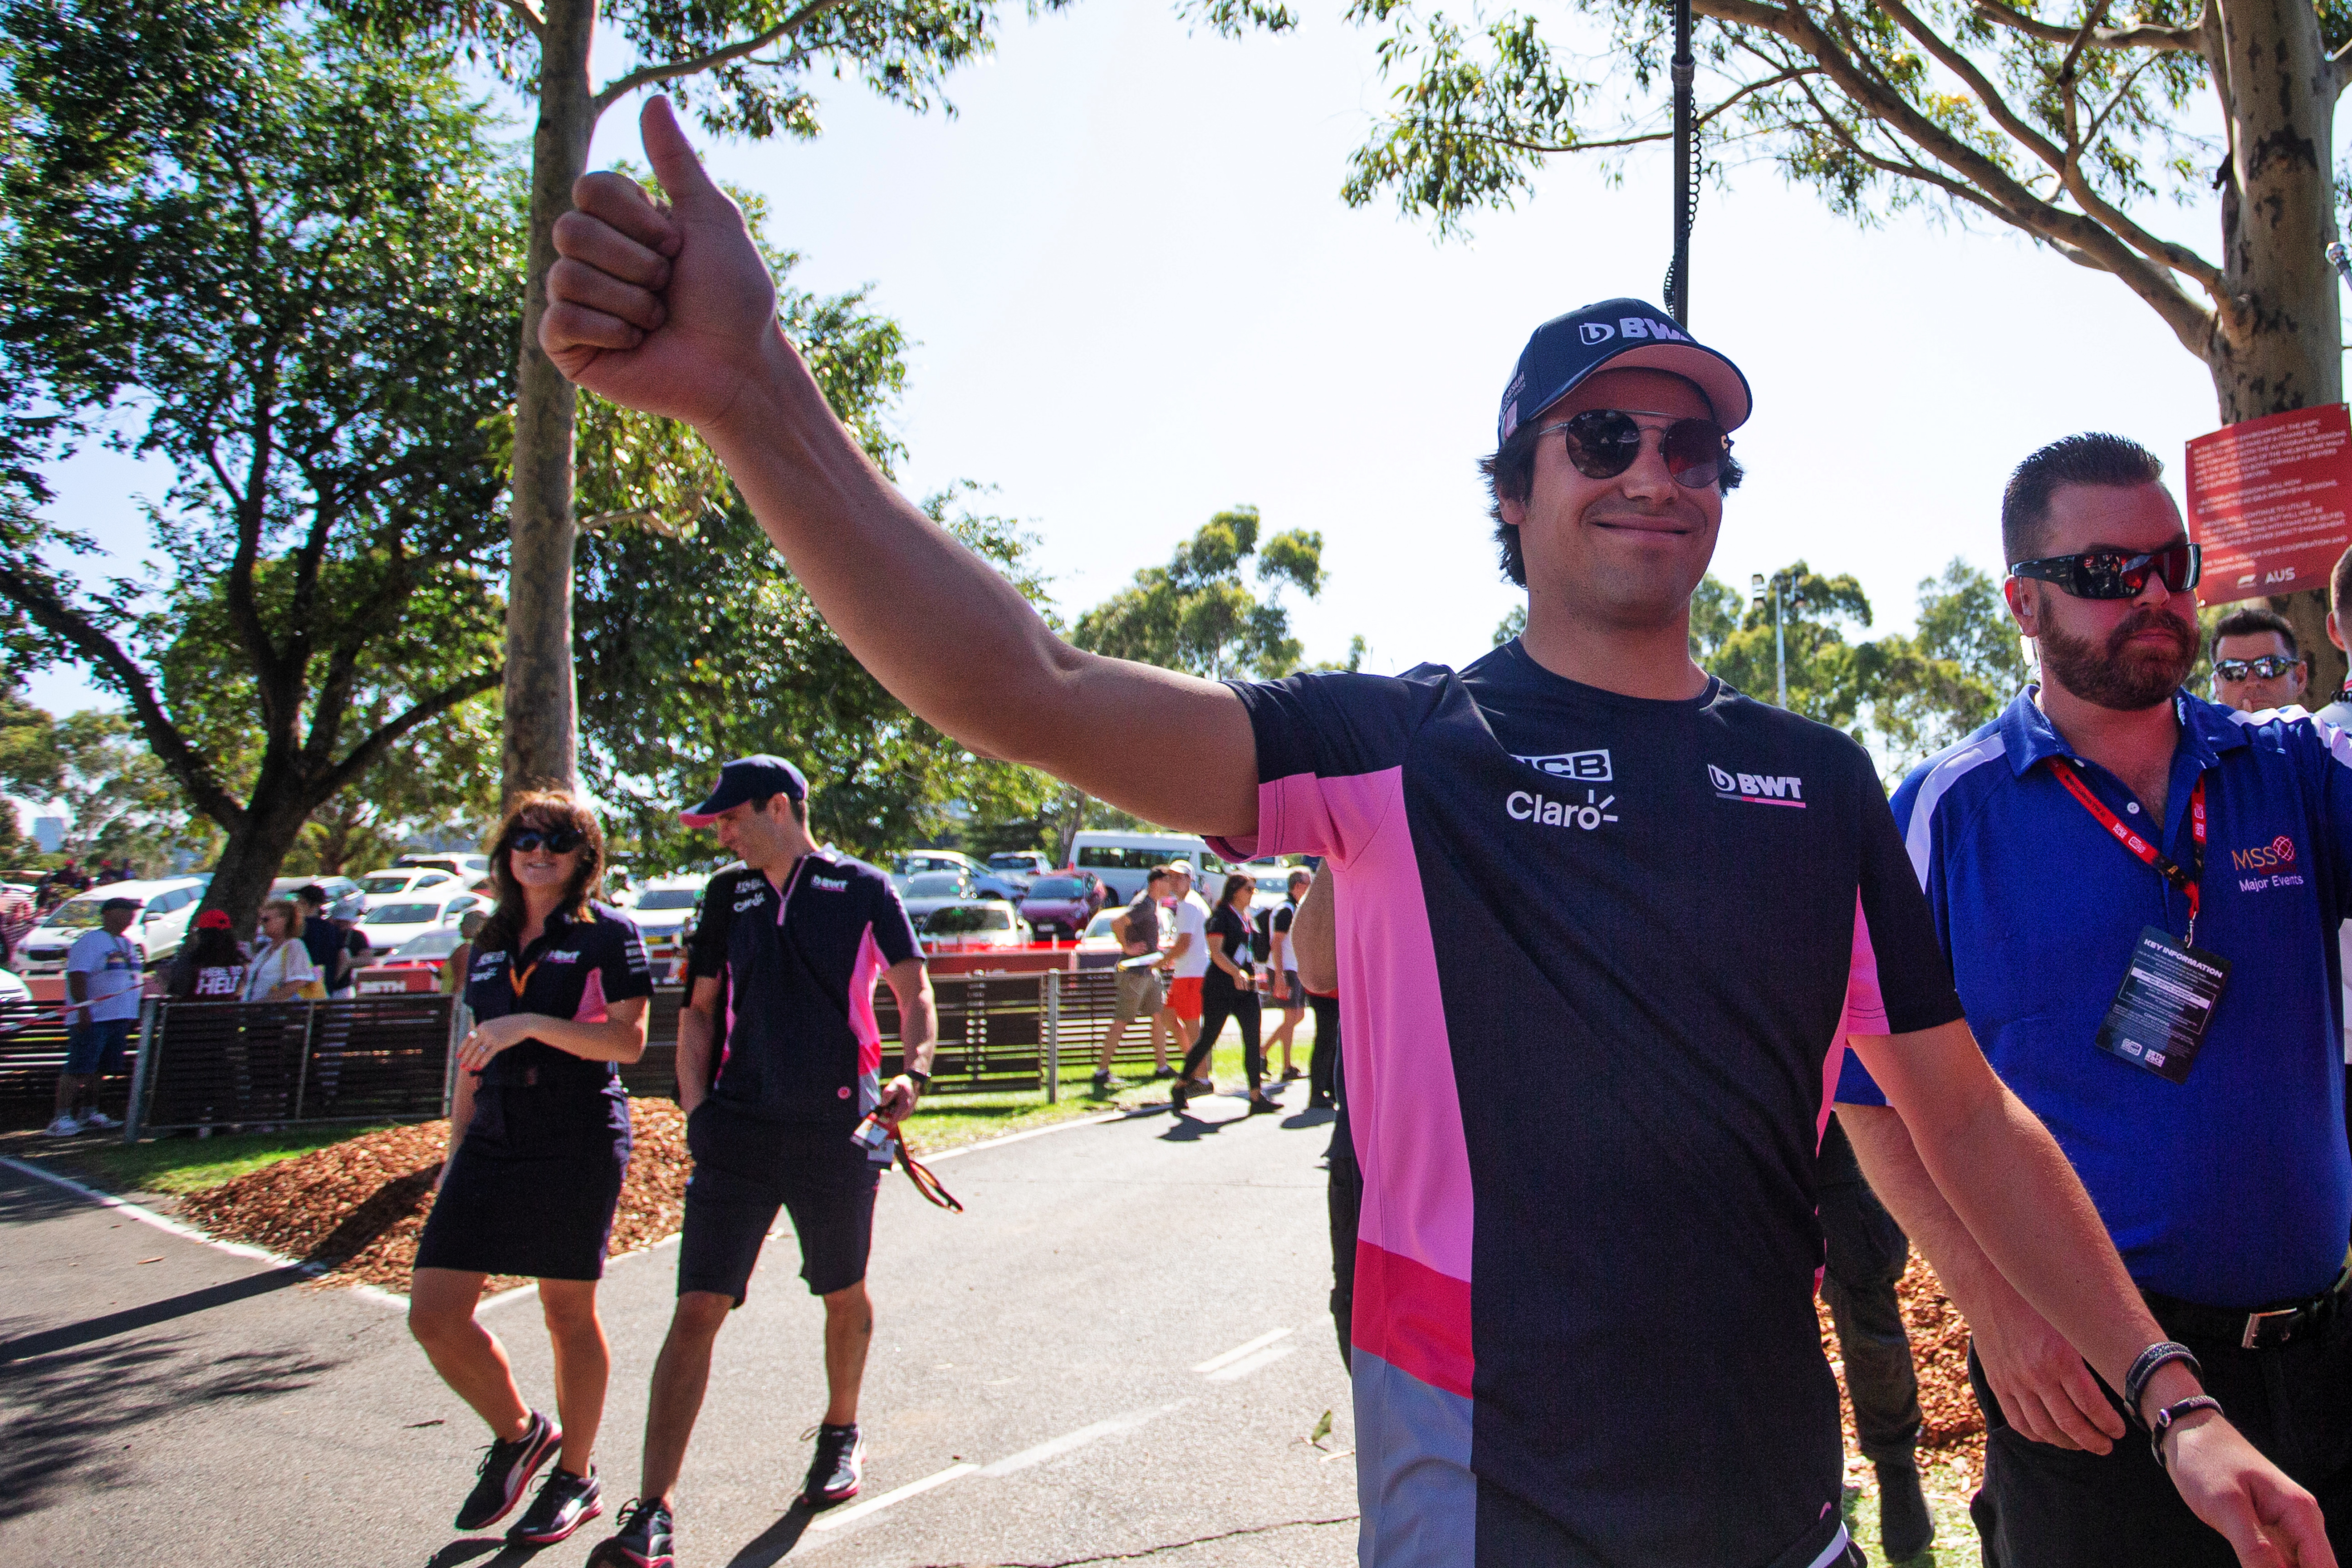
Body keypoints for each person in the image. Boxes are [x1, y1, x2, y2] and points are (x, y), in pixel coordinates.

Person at [541, 106, 2327, 1566]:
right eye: (1606, 434)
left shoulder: (1819, 781)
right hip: (1492, 1521)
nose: (1657, 470)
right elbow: (1023, 678)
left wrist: (2169, 1400)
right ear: (1519, 486)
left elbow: (1970, 1121)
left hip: (1785, 1523)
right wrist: (755, 394)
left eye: (1697, 447)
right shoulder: (1398, 751)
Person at [1835, 432, 2352, 1566]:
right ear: (2023, 599)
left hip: (2321, 1361)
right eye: (2110, 575)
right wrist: (1993, 1305)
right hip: (2086, 1383)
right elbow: (1868, 1096)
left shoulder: (2286, 772)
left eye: (2172, 563)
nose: (2156, 596)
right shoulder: (1941, 811)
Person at [588, 756, 937, 1568]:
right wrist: (696, 1108)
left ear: (778, 808)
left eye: (731, 817)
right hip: (736, 1132)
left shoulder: (862, 889)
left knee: (840, 1290)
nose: (722, 831)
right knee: (695, 1309)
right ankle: (653, 1512)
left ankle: (840, 1429)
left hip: (836, 1129)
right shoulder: (725, 895)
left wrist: (911, 1070)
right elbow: (700, 1008)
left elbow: (913, 991)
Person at [407, 792, 653, 1548]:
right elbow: (475, 1055)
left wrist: (530, 1025)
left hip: (577, 1129)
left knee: (566, 1313)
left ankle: (574, 1475)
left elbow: (627, 1044)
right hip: (494, 1131)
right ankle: (520, 1433)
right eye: (523, 838)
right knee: (434, 1312)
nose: (537, 850)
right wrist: (454, 1155)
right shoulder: (487, 938)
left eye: (556, 839)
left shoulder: (609, 933)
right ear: (504, 852)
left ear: (583, 855)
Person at [1815, 1113, 1934, 1562]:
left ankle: (1897, 1474)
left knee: (1866, 1311)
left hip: (1838, 1132)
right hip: (1759, 1134)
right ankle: (1893, 1474)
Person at [1172, 872, 1277, 1115]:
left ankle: (1256, 1094)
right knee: (1208, 1037)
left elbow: (1254, 951)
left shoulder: (1248, 918)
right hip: (1221, 987)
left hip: (1246, 989)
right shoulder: (1221, 917)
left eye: (1254, 890)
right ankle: (1181, 1085)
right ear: (1235, 891)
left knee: (1253, 1038)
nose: (1252, 894)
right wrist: (1235, 972)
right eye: (1249, 889)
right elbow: (1217, 953)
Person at [48, 894, 143, 1136]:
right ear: (109, 914)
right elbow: (77, 975)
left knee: (100, 1068)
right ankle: (61, 1118)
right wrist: (82, 1009)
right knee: (79, 1065)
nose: (131, 916)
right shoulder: (92, 942)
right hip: (94, 1016)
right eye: (126, 910)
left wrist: (132, 1012)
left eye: (133, 911)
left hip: (119, 1016)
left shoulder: (126, 943)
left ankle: (90, 1112)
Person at [1093, 866, 1174, 1089]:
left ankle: (1162, 1067)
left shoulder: (1152, 904)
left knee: (1159, 1016)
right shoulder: (1144, 904)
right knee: (1122, 1020)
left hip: (1149, 971)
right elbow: (1117, 923)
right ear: (1157, 882)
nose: (1172, 886)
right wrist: (1127, 947)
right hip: (1134, 974)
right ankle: (1102, 1072)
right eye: (1169, 881)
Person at [1159, 860, 1210, 1090]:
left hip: (1193, 973)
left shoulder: (1189, 904)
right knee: (1168, 1017)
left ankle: (1202, 1078)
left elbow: (1185, 943)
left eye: (1180, 877)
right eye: (1171, 877)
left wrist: (1162, 960)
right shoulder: (1186, 904)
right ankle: (1193, 1066)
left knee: (1192, 1026)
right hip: (1185, 973)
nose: (1175, 881)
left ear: (1190, 880)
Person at [2210, 605, 2310, 714]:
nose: (2252, 682)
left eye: (2269, 667)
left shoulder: (2324, 730)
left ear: (2300, 678)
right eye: (2233, 670)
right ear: (2217, 687)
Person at [1263, 867, 1310, 1080]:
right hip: (1285, 969)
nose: (1309, 889)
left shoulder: (1293, 907)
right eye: (1308, 884)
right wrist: (1280, 975)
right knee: (1293, 1016)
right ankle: (1283, 1064)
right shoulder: (1286, 909)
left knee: (1296, 1015)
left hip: (1293, 967)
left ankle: (1269, 1054)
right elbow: (1277, 942)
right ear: (1298, 886)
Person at [296, 882, 367, 998]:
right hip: (325, 988)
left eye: (299, 901)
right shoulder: (331, 929)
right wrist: (333, 980)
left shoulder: (298, 928)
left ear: (304, 903)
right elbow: (344, 956)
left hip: (300, 989)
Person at [240, 899, 318, 1003]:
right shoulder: (267, 950)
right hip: (253, 1013)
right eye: (260, 920)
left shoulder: (294, 945)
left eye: (266, 919)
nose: (261, 923)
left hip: (275, 1014)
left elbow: (299, 982)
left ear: (284, 920)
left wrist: (265, 1003)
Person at [164, 909, 248, 999]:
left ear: (203, 934)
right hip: (233, 1012)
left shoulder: (190, 962)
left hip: (195, 1012)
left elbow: (176, 994)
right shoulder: (242, 962)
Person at [441, 909, 487, 998]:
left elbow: (461, 982)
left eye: (462, 923)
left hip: (457, 1000)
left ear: (469, 926)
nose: (459, 926)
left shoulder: (466, 948)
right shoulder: (482, 946)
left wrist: (453, 1004)